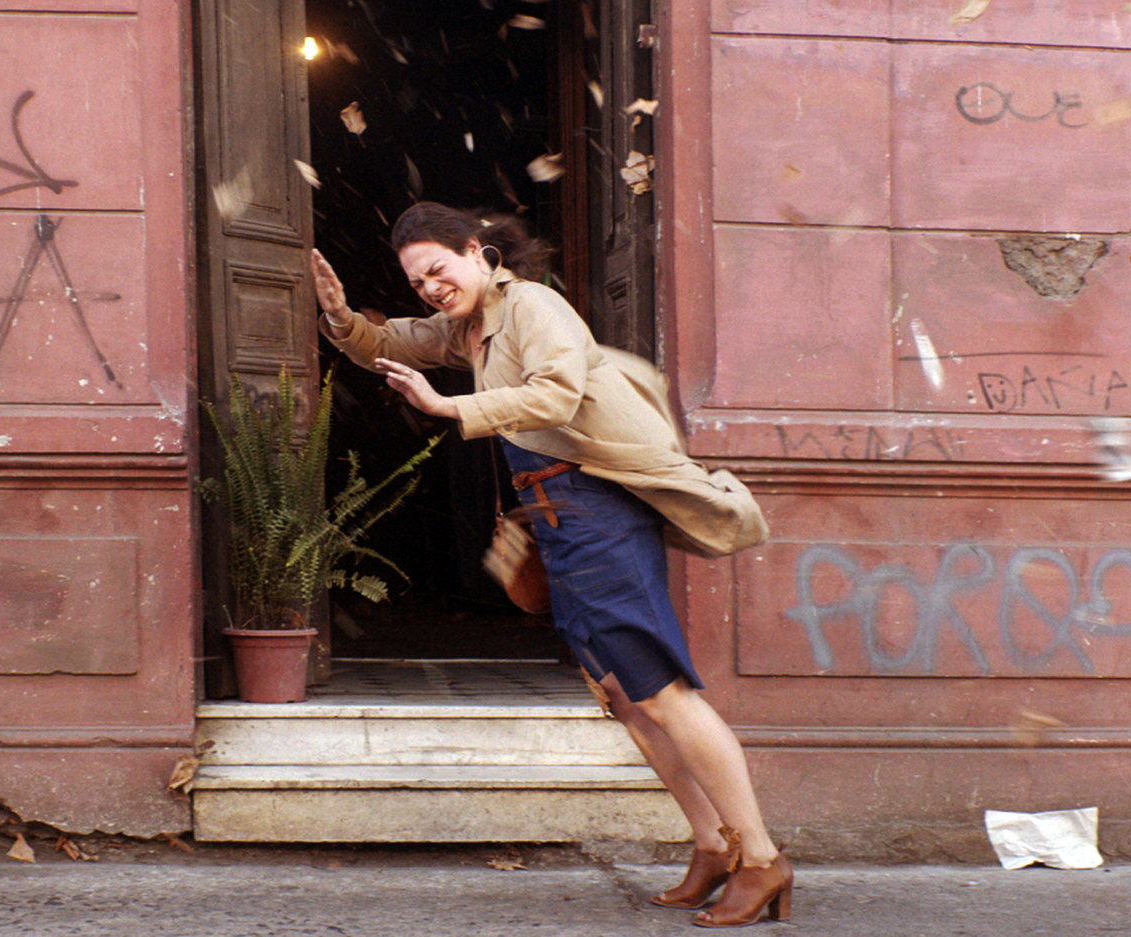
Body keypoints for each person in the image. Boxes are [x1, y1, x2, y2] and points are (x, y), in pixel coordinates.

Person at [311, 201, 791, 928]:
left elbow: (557, 392)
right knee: (623, 695)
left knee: (662, 688)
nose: (431, 289)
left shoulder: (532, 305)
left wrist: (448, 407)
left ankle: (761, 856)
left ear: (476, 252)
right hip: (557, 516)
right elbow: (393, 339)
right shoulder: (468, 327)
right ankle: (711, 843)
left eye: (439, 270)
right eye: (419, 282)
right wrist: (343, 316)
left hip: (596, 509)